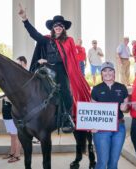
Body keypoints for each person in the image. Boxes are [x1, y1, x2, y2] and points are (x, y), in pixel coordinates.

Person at [18, 4, 91, 133]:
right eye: (56, 25)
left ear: (63, 28)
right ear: (53, 28)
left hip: (61, 69)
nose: (58, 27)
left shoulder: (69, 40)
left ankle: (67, 118)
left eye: (60, 26)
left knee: (65, 92)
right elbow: (34, 34)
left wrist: (47, 60)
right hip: (45, 68)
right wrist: (25, 20)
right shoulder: (46, 40)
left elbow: (66, 59)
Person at [91, 61, 129, 169]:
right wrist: (92, 125)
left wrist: (125, 107)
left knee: (114, 162)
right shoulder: (96, 89)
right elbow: (92, 110)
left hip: (119, 128)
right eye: (105, 70)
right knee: (102, 162)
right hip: (101, 129)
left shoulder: (122, 87)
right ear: (101, 73)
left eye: (110, 70)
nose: (108, 73)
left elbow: (126, 106)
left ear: (114, 72)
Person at [1, 97, 21, 163]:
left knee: (16, 136)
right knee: (12, 135)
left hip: (13, 116)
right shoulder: (7, 90)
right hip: (6, 116)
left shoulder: (16, 91)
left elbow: (20, 103)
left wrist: (11, 100)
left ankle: (17, 155)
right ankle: (12, 153)